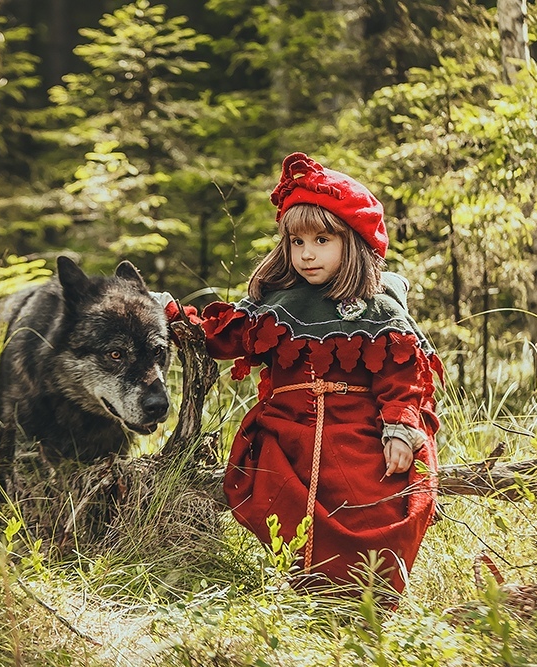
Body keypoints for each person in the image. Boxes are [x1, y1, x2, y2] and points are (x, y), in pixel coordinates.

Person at [166, 152, 443, 597]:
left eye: (321, 240)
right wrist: (171, 315)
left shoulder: (380, 310)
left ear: (351, 242)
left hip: (359, 428)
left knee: (377, 494)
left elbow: (402, 379)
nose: (307, 254)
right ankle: (310, 589)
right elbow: (218, 338)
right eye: (297, 243)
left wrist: (399, 428)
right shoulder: (276, 306)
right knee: (286, 495)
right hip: (288, 431)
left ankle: (364, 598)